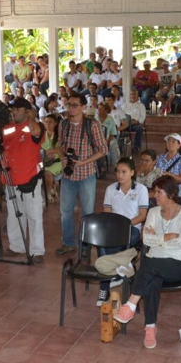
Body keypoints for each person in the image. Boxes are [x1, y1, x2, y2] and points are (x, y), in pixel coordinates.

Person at [113, 176, 181, 349]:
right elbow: (146, 240)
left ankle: (131, 304)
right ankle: (150, 328)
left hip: (179, 264)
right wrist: (168, 237)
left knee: (149, 265)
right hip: (155, 264)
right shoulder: (153, 212)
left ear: (171, 194)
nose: (154, 195)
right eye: (154, 191)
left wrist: (158, 239)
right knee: (152, 278)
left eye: (159, 192)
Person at [0, 97, 46, 262]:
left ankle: (37, 251)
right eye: (12, 109)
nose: (14, 112)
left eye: (18, 109)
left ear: (27, 111)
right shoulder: (8, 128)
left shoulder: (36, 126)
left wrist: (31, 116)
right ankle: (16, 246)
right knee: (13, 216)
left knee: (34, 215)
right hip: (10, 178)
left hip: (30, 178)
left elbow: (34, 131)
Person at [57, 94, 108, 254]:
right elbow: (60, 144)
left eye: (75, 105)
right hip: (68, 175)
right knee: (65, 211)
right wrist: (62, 157)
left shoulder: (92, 125)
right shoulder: (63, 124)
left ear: (84, 107)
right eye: (69, 105)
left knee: (87, 212)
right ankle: (68, 242)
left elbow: (103, 150)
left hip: (86, 174)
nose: (71, 109)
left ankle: (85, 246)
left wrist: (83, 162)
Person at [96, 158, 149, 304]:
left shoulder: (141, 190)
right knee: (102, 244)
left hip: (133, 229)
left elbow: (142, 216)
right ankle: (119, 270)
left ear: (132, 172)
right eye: (118, 172)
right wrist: (114, 226)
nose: (120, 175)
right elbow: (107, 212)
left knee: (109, 248)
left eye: (124, 172)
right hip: (113, 228)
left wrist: (125, 225)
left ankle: (109, 282)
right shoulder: (111, 189)